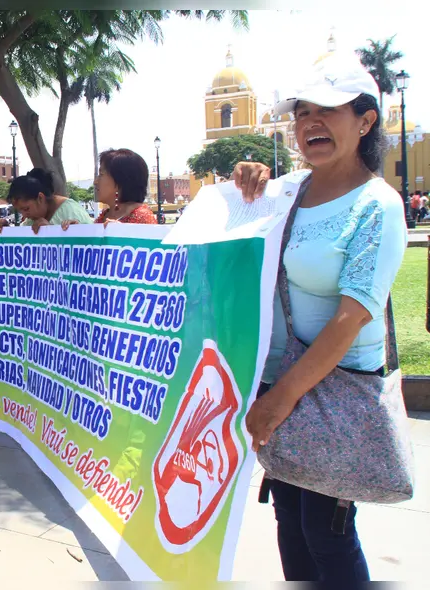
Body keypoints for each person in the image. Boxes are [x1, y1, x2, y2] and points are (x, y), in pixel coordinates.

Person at [230, 55, 406, 585]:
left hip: (335, 390)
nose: (310, 123)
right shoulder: (288, 192)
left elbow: (351, 318)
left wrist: (279, 401)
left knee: (327, 534)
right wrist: (248, 179)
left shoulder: (379, 205)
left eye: (328, 110)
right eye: (302, 112)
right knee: (289, 523)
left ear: (366, 120)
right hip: (279, 384)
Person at [0, 168, 93, 234]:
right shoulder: (31, 220)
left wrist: (52, 232)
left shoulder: (72, 212)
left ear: (40, 198)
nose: (25, 215)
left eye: (26, 209)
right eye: (20, 211)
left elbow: (92, 246)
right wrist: (6, 231)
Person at [92, 149, 157, 225]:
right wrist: (77, 230)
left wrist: (122, 231)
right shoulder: (104, 215)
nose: (95, 182)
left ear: (120, 179)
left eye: (101, 174)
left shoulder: (142, 217)